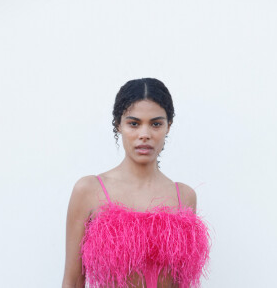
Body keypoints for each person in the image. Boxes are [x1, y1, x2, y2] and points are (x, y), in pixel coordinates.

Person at [62, 78, 210, 288]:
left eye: (156, 124)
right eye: (134, 123)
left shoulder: (183, 196)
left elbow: (181, 282)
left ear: (168, 127)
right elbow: (73, 280)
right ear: (118, 125)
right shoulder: (89, 190)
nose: (144, 135)